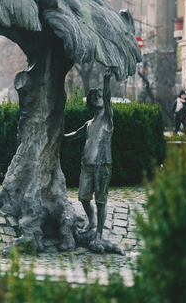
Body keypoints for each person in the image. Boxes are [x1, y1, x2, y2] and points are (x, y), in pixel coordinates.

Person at [63, 67, 115, 253]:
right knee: (83, 197)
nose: (98, 99)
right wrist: (59, 135)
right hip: (87, 165)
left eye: (100, 97)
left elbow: (108, 98)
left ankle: (99, 233)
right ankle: (92, 220)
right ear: (90, 104)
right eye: (94, 98)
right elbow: (74, 135)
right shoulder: (90, 123)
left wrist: (106, 81)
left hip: (102, 164)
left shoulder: (107, 119)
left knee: (101, 200)